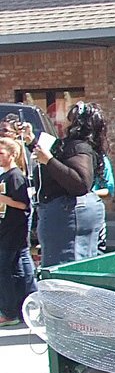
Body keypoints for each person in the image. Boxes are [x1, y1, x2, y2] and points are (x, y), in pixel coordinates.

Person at [33, 102, 108, 266]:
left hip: (68, 212)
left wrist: (49, 160)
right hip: (72, 210)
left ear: (76, 123)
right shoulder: (79, 145)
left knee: (65, 269)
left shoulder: (78, 147)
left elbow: (80, 183)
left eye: (68, 118)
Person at [0, 138, 36, 327]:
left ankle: (9, 311)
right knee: (14, 270)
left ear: (12, 154)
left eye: (2, 153)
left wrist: (3, 199)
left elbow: (23, 204)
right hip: (5, 229)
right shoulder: (4, 176)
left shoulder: (15, 176)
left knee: (5, 270)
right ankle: (19, 307)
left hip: (13, 231)